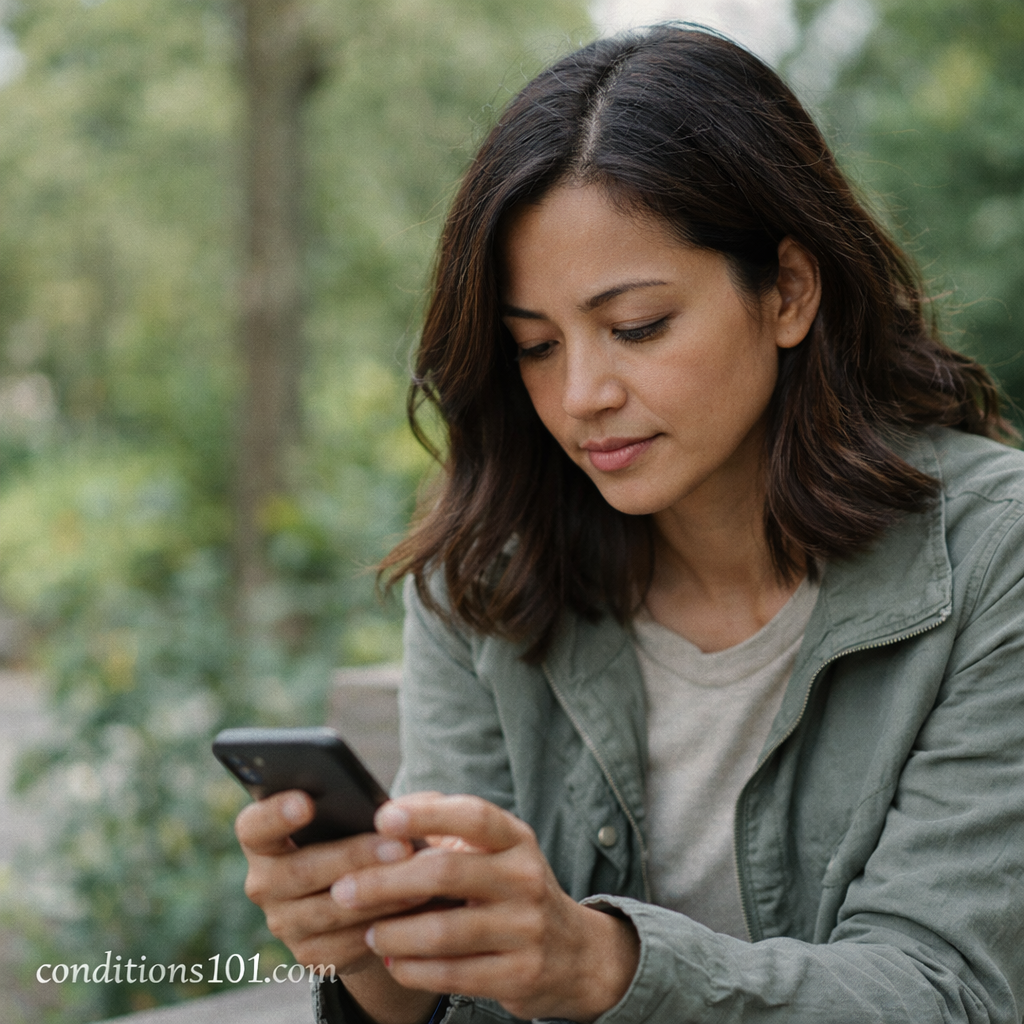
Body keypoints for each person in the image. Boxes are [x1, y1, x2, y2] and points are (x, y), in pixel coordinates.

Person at [234, 25, 1024, 1024]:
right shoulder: (486, 571)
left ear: (786, 291)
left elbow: (945, 991)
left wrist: (603, 964)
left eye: (638, 327)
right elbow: (459, 1001)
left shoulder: (995, 552)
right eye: (533, 345)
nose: (580, 395)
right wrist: (376, 951)